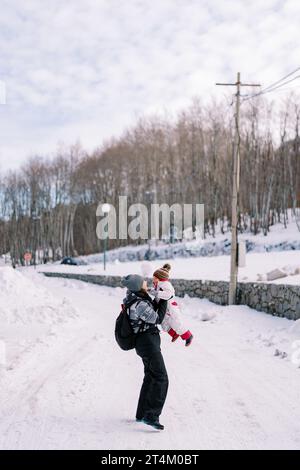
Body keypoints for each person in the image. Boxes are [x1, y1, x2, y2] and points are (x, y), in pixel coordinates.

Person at [122, 274, 169, 431]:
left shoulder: (136, 298)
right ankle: (152, 415)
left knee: (150, 377)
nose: (146, 282)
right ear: (137, 286)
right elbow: (157, 318)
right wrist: (165, 299)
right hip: (147, 343)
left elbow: (150, 314)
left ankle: (142, 414)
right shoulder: (139, 303)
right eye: (143, 281)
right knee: (161, 378)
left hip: (145, 343)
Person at [152, 264, 193, 346]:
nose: (153, 279)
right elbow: (158, 297)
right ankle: (174, 334)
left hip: (171, 307)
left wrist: (156, 293)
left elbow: (168, 294)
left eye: (155, 277)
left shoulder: (166, 284)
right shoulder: (158, 285)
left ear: (160, 278)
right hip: (164, 307)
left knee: (176, 322)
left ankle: (188, 336)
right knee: (164, 322)